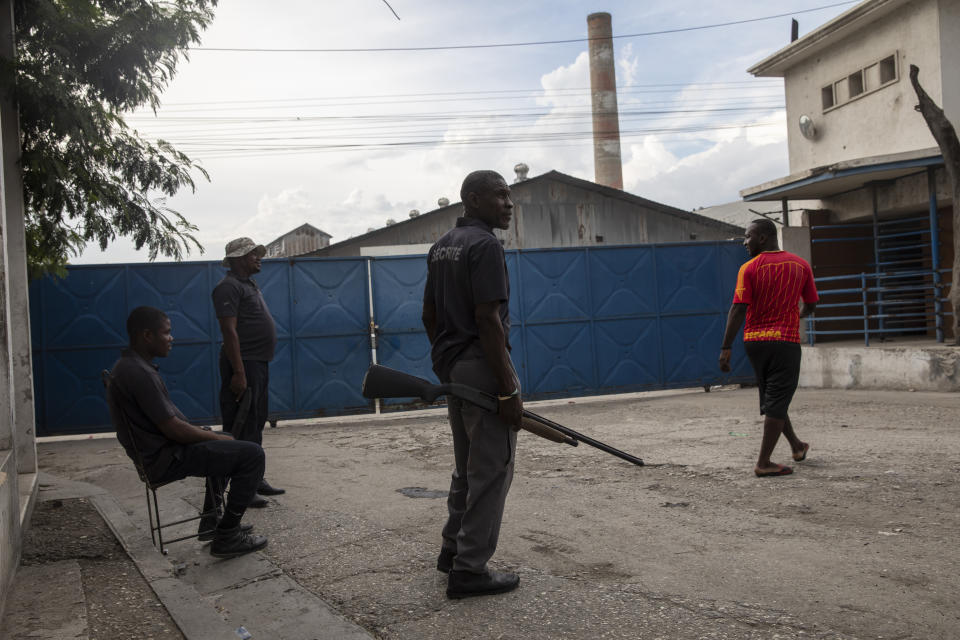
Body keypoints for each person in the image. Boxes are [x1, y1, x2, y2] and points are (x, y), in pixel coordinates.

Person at [421, 170, 523, 600]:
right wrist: (508, 390)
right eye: (500, 195)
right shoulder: (485, 245)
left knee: (467, 467)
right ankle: (469, 569)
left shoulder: (441, 245)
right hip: (482, 366)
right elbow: (488, 321)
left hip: (456, 368)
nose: (509, 203)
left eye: (510, 196)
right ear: (473, 199)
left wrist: (447, 366)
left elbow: (429, 316)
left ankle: (451, 550)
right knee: (492, 470)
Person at [108, 306, 268, 558]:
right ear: (147, 335)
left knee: (227, 441)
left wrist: (211, 435)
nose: (171, 339)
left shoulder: (133, 366)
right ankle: (228, 534)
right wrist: (212, 436)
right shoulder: (137, 373)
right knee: (252, 454)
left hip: (165, 452)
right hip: (167, 458)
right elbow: (174, 429)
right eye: (167, 333)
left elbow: (170, 424)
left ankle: (211, 522)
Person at [719, 219, 819, 478]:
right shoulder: (800, 265)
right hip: (785, 342)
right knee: (777, 399)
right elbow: (811, 304)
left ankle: (797, 446)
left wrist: (726, 347)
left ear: (763, 238)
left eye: (748, 236)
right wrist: (796, 314)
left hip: (755, 343)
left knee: (774, 397)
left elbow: (738, 308)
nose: (744, 242)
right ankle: (764, 462)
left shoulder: (749, 269)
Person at [213, 237, 283, 507]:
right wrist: (239, 373)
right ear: (239, 258)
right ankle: (240, 490)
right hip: (245, 364)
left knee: (256, 421)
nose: (258, 258)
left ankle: (254, 479)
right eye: (253, 254)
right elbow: (229, 332)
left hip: (258, 363)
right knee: (241, 425)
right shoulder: (227, 288)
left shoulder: (248, 285)